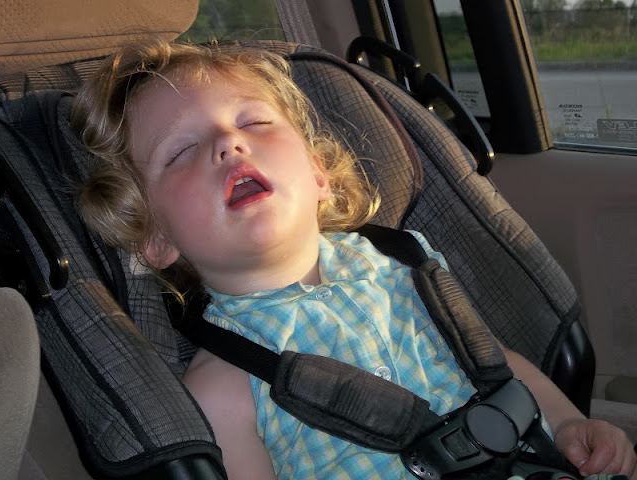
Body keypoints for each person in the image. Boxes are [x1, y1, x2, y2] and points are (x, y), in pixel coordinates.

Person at [73, 38, 636, 480]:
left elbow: (491, 360)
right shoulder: (223, 384)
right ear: (156, 238)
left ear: (318, 174)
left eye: (253, 121)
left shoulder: (406, 259)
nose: (228, 143)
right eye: (182, 150)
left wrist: (568, 422)